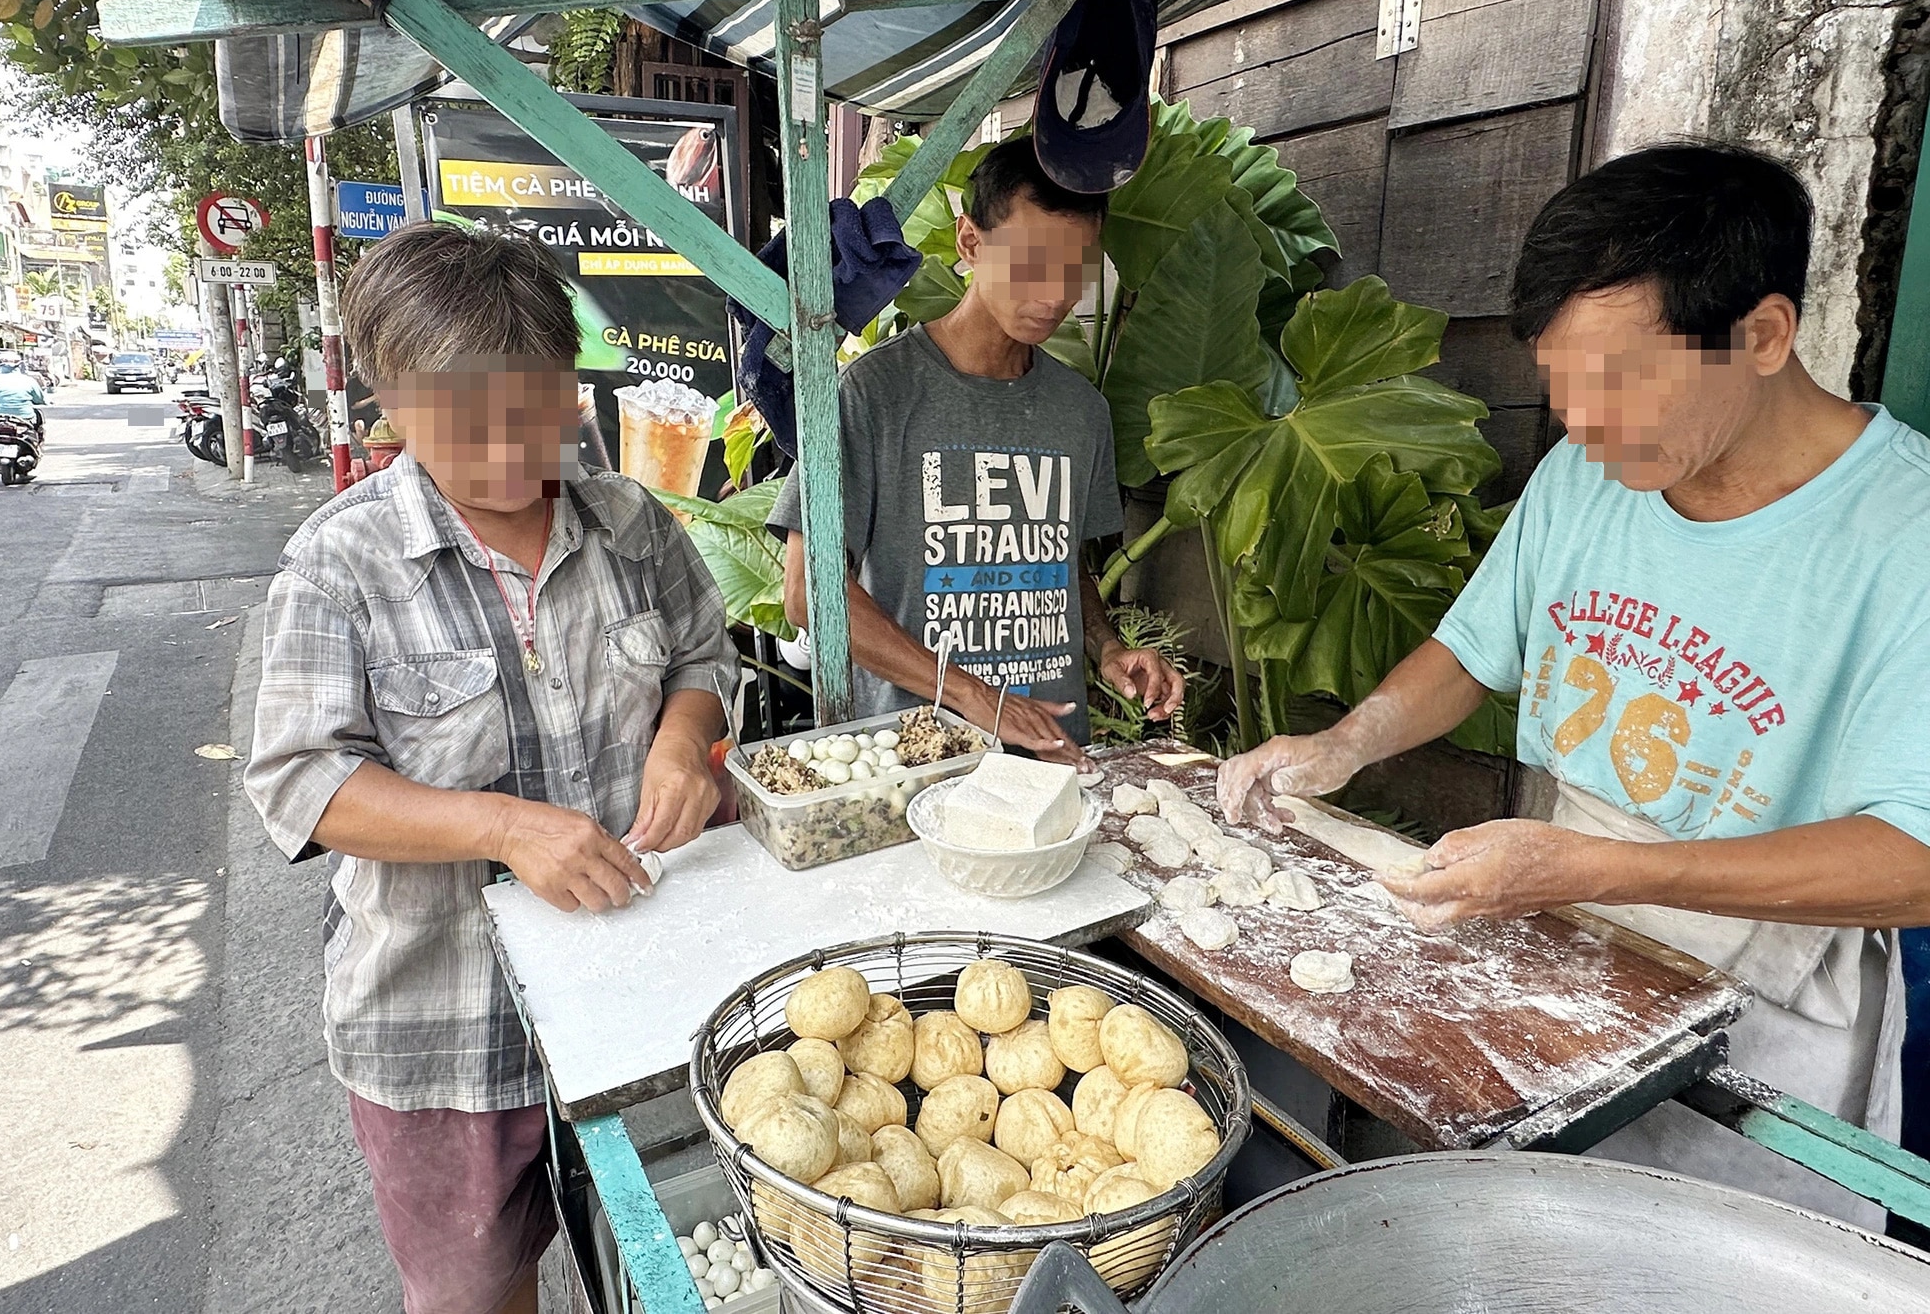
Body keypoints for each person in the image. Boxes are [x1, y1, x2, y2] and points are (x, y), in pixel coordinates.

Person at [1217, 142, 1930, 1224]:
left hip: (1768, 999)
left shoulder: (1900, 535)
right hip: (1555, 934)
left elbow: (1912, 863)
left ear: (1763, 335)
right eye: (1561, 389)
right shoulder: (1586, 476)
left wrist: (1592, 866)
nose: (1579, 426)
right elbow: (1471, 649)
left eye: (1616, 387)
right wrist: (1345, 744)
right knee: (1546, 1243)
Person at [245, 221, 737, 1314]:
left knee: (668, 1274)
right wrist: (504, 828)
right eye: (470, 434)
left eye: (538, 417)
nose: (515, 460)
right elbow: (299, 780)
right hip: (443, 1029)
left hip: (640, 995)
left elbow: (704, 654)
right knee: (477, 1296)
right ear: (394, 410)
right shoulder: (340, 565)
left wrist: (680, 738)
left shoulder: (629, 522)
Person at [770, 136, 1183, 765]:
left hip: (1052, 763)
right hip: (918, 765)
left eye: (1076, 268)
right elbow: (807, 593)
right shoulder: (870, 394)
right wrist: (973, 695)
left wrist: (1105, 648)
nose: (1054, 293)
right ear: (970, 243)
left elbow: (1062, 567)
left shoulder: (1082, 412)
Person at [0, 359, 48, 439]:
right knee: (38, 421)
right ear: (19, 366)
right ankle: (37, 443)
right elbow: (39, 399)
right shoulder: (29, 380)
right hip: (25, 416)